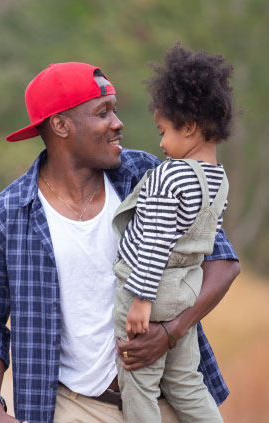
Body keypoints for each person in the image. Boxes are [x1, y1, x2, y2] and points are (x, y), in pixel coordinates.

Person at [0, 61, 240, 423]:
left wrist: (171, 331)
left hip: (165, 399)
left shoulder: (149, 175)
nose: (117, 122)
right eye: (102, 112)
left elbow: (223, 261)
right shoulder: (7, 215)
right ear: (61, 125)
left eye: (115, 110)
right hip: (74, 407)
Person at [113, 44, 234, 423]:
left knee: (139, 385)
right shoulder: (220, 181)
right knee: (185, 381)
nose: (162, 144)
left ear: (191, 127)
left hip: (154, 287)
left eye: (164, 132)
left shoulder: (171, 174)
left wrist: (141, 299)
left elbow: (154, 240)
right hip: (187, 287)